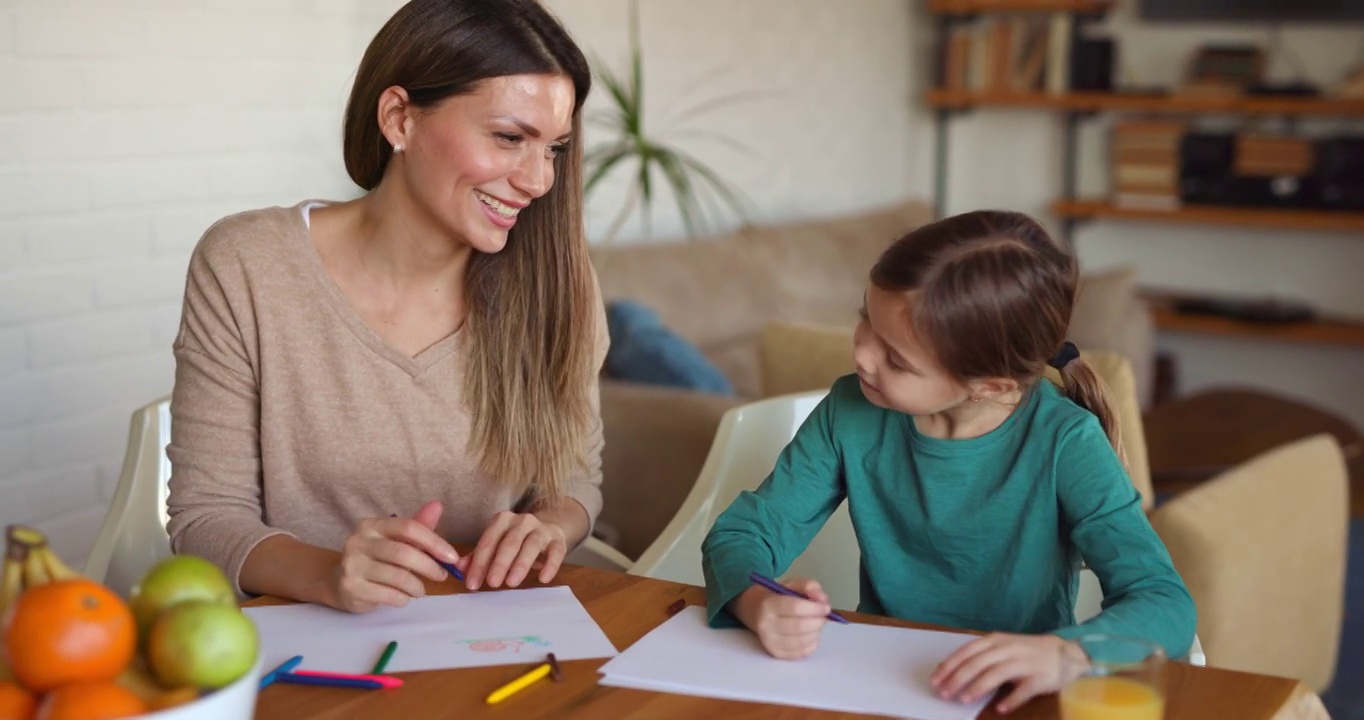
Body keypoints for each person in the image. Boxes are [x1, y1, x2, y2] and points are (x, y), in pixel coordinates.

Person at [165, 0, 608, 614]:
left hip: (489, 637)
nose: (539, 181)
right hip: (306, 650)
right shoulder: (249, 264)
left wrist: (552, 525)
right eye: (510, 138)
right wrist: (330, 575)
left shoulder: (558, 280)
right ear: (400, 119)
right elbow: (204, 520)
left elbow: (574, 480)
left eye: (554, 149)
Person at [700, 210, 1196, 714]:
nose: (864, 355)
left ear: (992, 385)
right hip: (875, 685)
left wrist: (1068, 655)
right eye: (865, 318)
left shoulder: (1066, 441)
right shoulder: (849, 410)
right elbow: (742, 535)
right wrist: (757, 602)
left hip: (1013, 701)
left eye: (897, 359)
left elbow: (1165, 602)